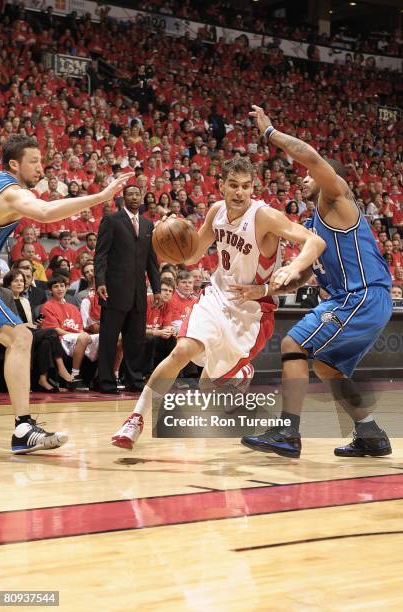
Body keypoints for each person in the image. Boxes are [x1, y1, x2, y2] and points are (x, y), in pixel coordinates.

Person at [111, 157, 325, 449]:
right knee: (182, 350)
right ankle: (135, 419)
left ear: (253, 188)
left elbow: (315, 242)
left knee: (207, 387)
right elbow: (190, 256)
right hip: (216, 295)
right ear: (222, 185)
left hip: (252, 309)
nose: (239, 192)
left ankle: (239, 372)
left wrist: (289, 268)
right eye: (233, 185)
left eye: (246, 186)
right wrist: (168, 238)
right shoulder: (216, 212)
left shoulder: (265, 216)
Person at [239, 105, 393, 459]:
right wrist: (263, 289)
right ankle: (371, 433)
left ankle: (288, 432)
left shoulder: (335, 195)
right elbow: (305, 275)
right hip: (356, 299)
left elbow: (310, 156)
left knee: (294, 343)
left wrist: (269, 133)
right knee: (326, 367)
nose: (303, 179)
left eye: (310, 176)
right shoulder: (313, 226)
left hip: (361, 295)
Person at [0, 134, 132, 453]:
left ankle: (23, 428)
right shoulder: (11, 191)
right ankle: (23, 428)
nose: (41, 168)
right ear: (14, 164)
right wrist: (99, 196)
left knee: (20, 337)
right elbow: (44, 213)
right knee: (21, 337)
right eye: (35, 161)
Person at [95, 184, 161, 394]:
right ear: (123, 198)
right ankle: (105, 381)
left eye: (137, 194)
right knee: (108, 338)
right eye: (130, 194)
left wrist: (157, 288)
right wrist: (100, 282)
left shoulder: (148, 225)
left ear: (141, 198)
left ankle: (134, 380)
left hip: (139, 292)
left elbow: (152, 261)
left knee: (136, 340)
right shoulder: (111, 220)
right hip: (114, 290)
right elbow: (101, 255)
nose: (134, 197)